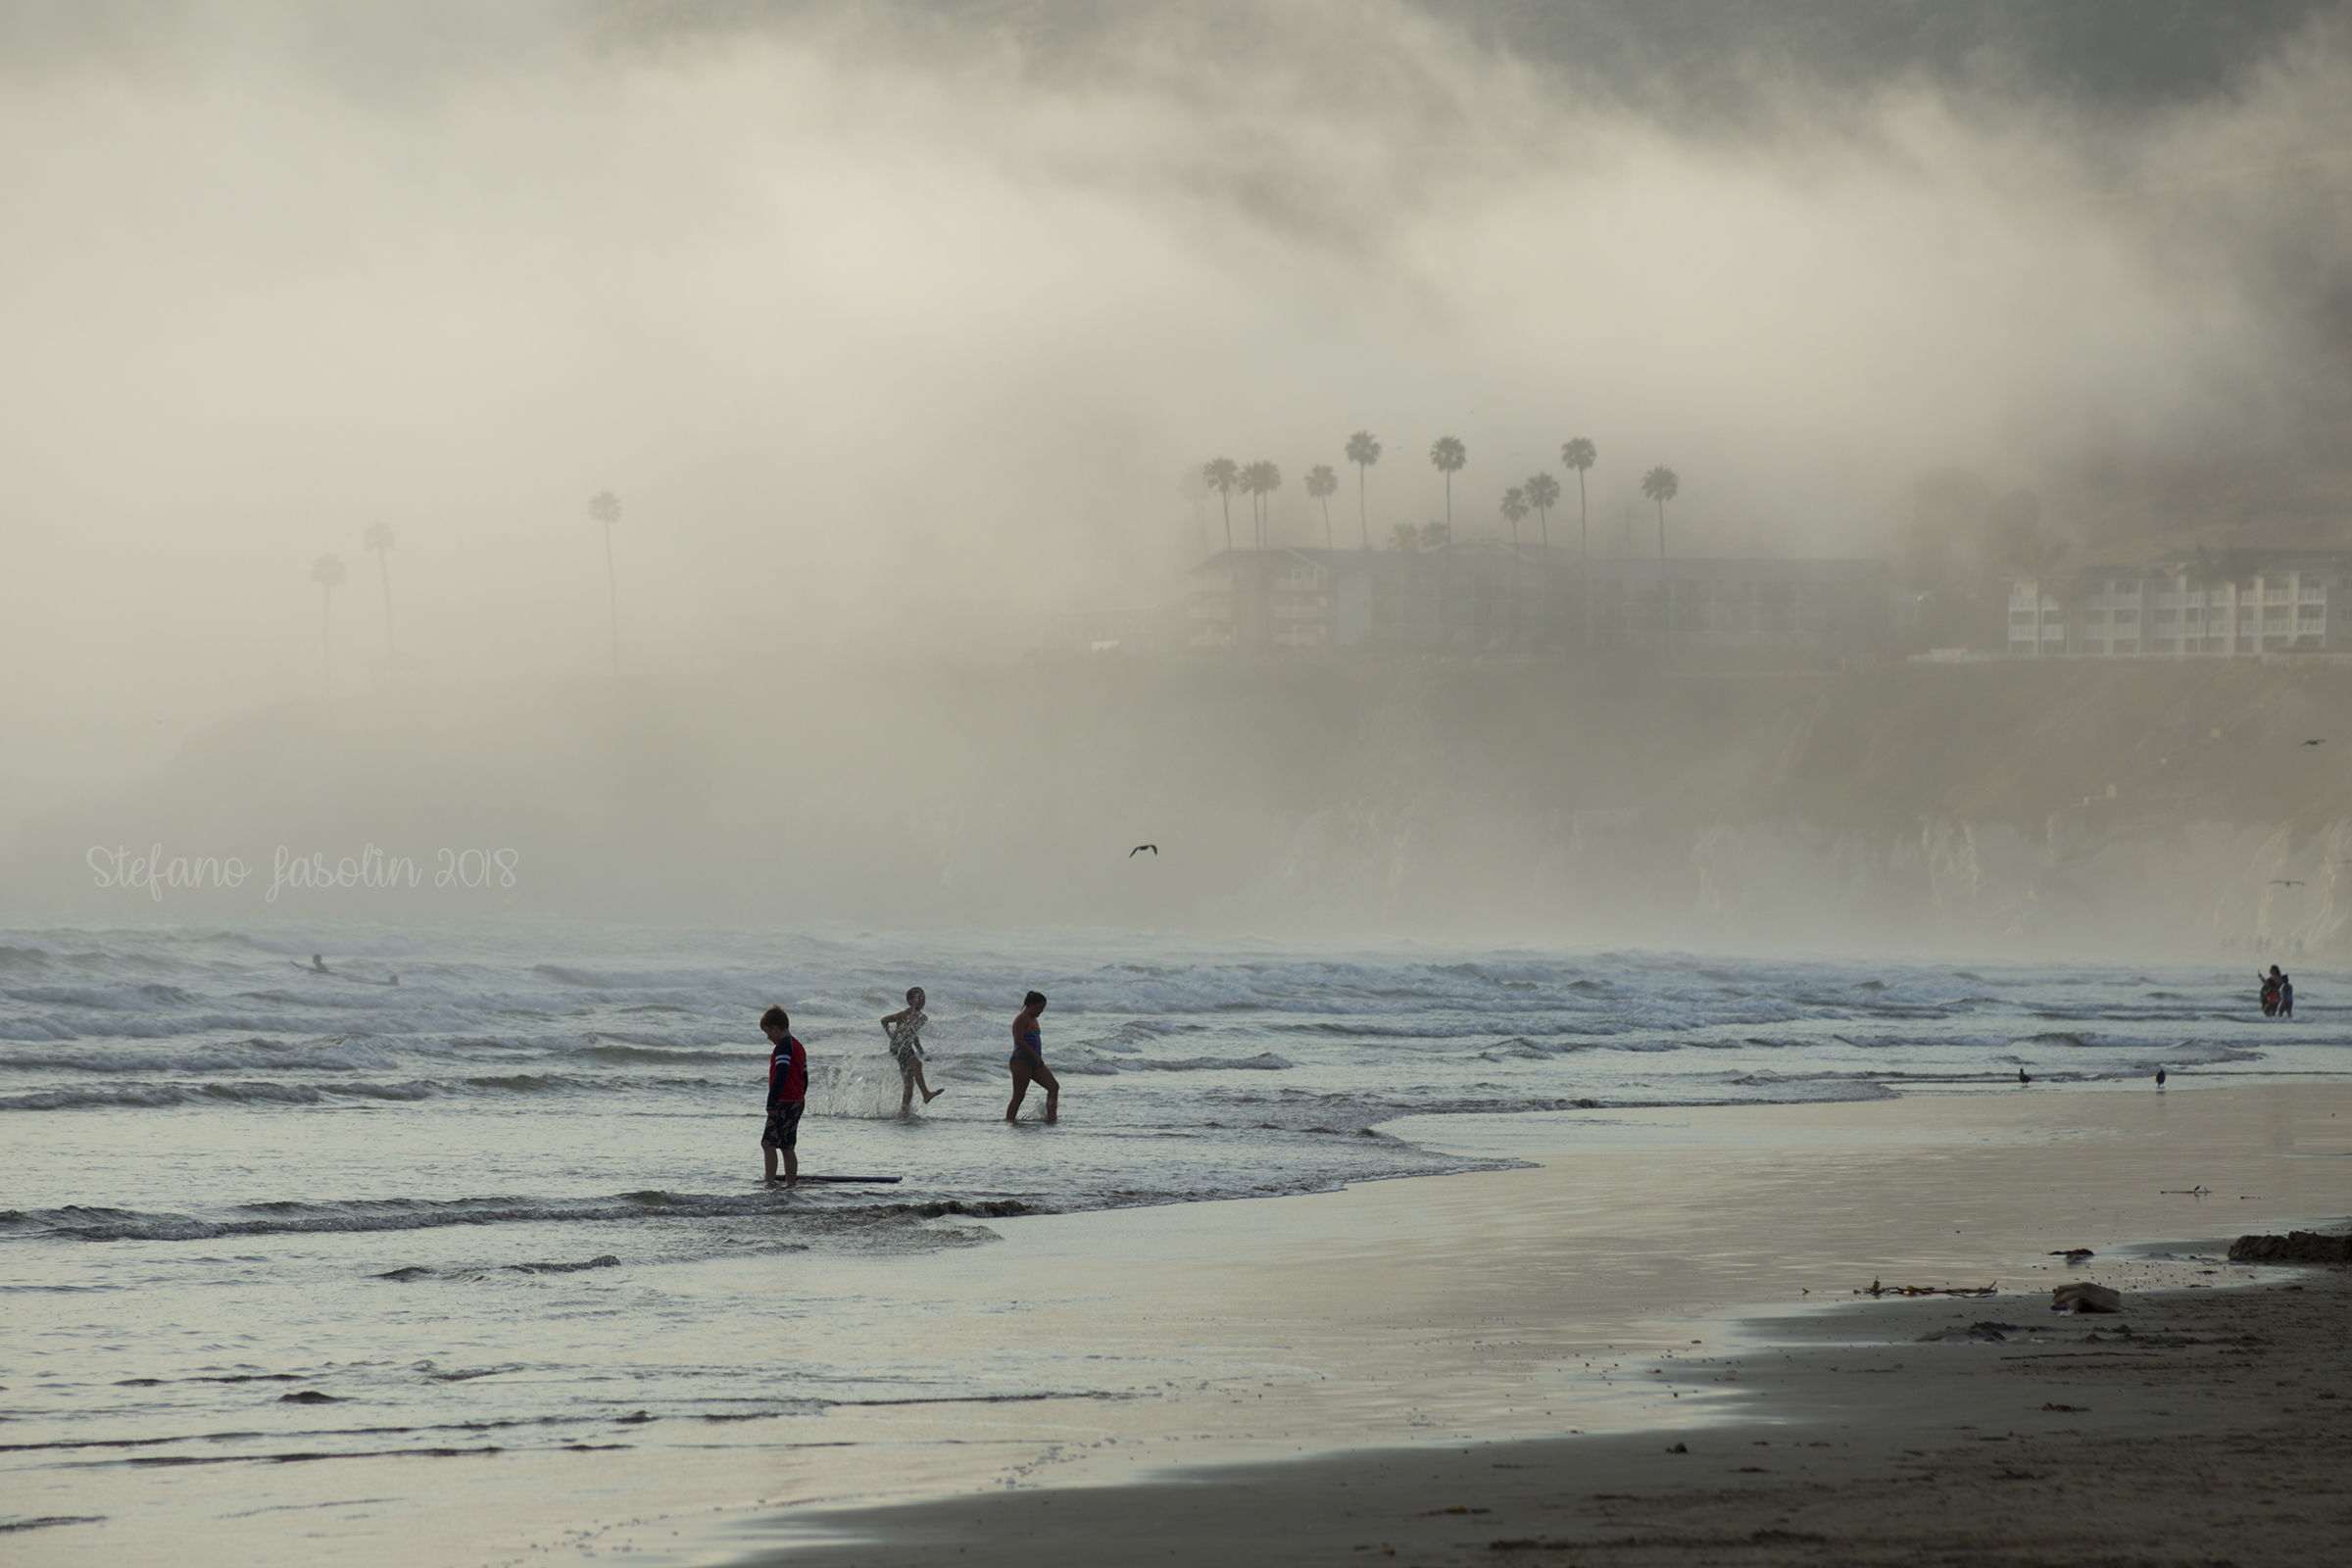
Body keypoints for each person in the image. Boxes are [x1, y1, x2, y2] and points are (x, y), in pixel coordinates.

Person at [760, 1004, 807, 1185]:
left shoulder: (783, 1046)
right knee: (787, 1145)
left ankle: (770, 1180)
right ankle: (791, 1182)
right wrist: (801, 1097)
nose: (768, 1037)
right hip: (796, 1101)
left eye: (768, 1032)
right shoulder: (798, 1046)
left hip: (783, 1101)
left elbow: (781, 1073)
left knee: (768, 1143)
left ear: (775, 1028)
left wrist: (772, 1102)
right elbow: (805, 1076)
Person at [881, 986, 945, 1113]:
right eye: (918, 998)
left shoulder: (922, 1018)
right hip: (898, 1046)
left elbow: (913, 1035)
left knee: (909, 1084)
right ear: (910, 1001)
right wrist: (891, 1034)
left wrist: (921, 1051)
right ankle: (926, 1094)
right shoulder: (905, 1014)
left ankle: (904, 1112)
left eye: (923, 998)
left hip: (906, 1047)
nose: (922, 1000)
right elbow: (884, 1020)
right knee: (917, 1064)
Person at [1005, 990, 1058, 1125]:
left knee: (1054, 1087)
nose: (1041, 1011)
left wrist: (1036, 1057)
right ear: (1030, 1005)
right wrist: (1035, 1055)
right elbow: (1019, 1040)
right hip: (1021, 1062)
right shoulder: (1021, 1018)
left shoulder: (1034, 1019)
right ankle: (1009, 1122)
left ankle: (1052, 1119)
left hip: (1034, 1062)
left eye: (1043, 1008)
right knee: (1018, 1096)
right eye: (1040, 1007)